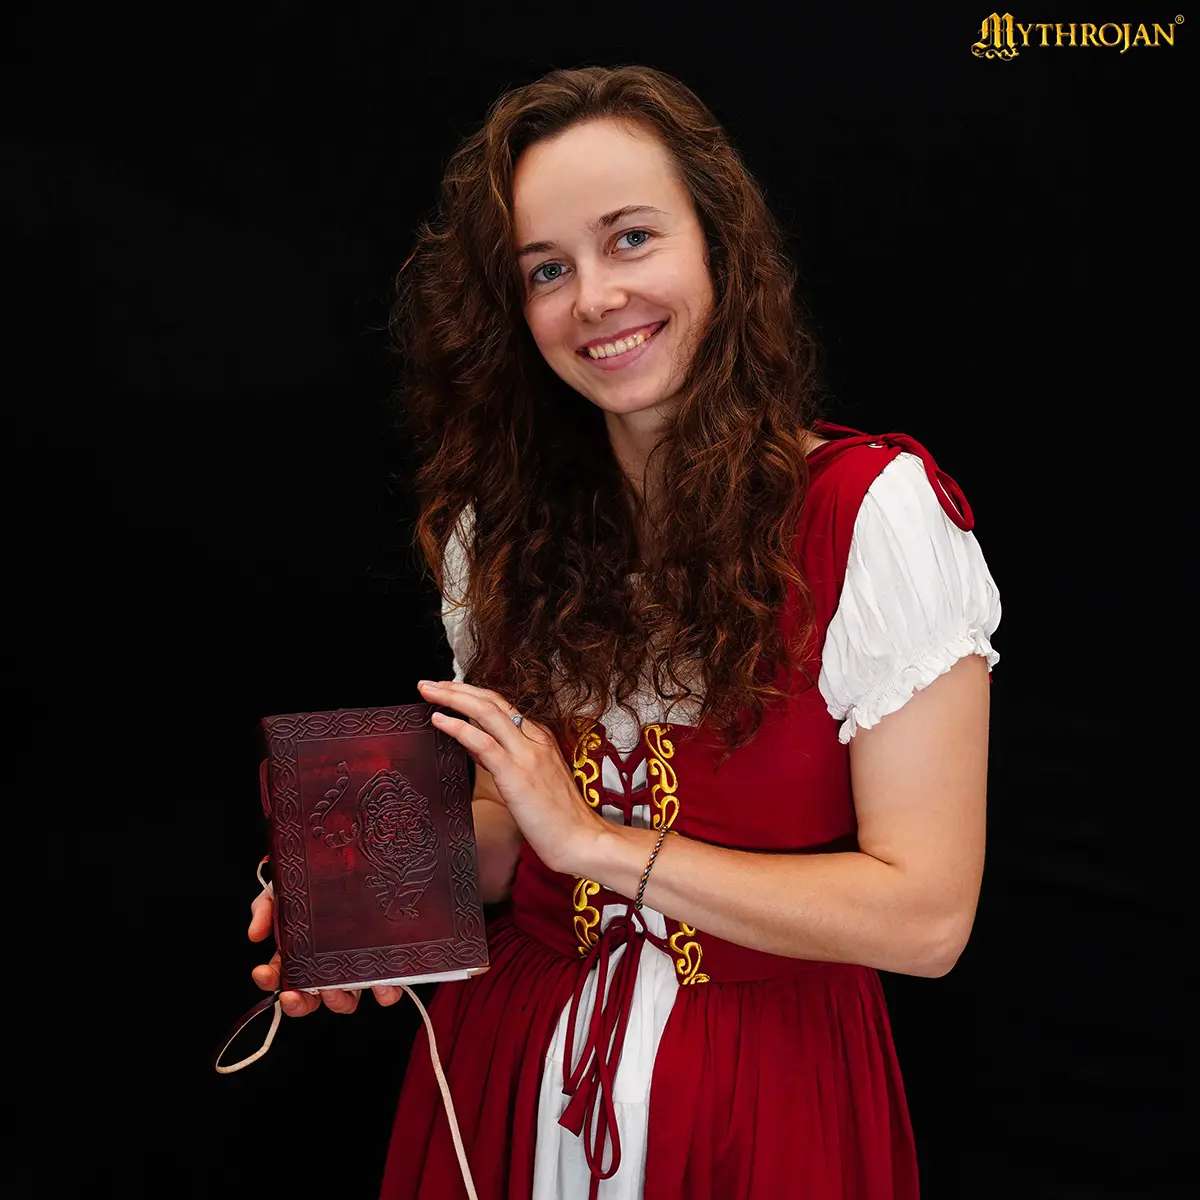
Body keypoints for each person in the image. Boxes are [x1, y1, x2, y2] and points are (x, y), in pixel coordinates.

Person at [247, 64, 1000, 1199]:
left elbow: (928, 918)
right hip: (510, 1068)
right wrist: (353, 899)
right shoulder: (501, 531)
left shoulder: (871, 514)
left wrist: (602, 847)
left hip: (763, 1091)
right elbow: (510, 831)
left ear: (719, 248)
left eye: (631, 238)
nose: (594, 297)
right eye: (547, 269)